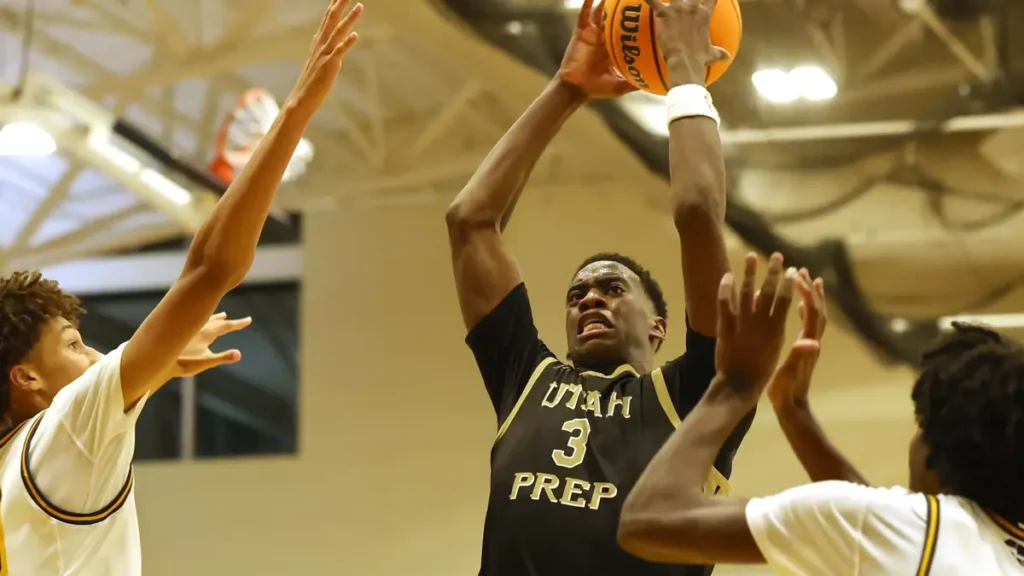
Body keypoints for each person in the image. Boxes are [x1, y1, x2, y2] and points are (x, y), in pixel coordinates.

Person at [0, 1, 362, 573]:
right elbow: (210, 271)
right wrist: (295, 112)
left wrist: (161, 361)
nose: (94, 355)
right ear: (26, 378)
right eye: (72, 344)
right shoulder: (67, 428)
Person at [444, 0, 749, 572]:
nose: (588, 297)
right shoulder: (526, 379)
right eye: (577, 293)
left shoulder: (696, 396)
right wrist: (566, 86)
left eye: (612, 288)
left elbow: (698, 211)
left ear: (659, 327)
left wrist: (685, 69)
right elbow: (470, 222)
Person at [619, 251, 1024, 574]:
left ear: (936, 449)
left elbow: (650, 518)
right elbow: (875, 535)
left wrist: (734, 384)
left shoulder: (904, 529)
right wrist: (796, 415)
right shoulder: (999, 546)